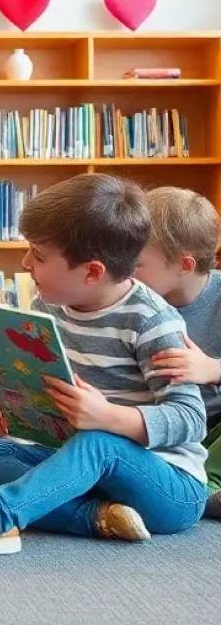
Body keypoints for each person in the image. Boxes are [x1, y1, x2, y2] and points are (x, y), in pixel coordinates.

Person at [0, 175, 208, 563]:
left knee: (99, 442)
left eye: (38, 255)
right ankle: (98, 518)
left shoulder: (152, 322)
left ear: (91, 272)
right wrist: (20, 413)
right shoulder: (47, 308)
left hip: (169, 486)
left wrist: (108, 416)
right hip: (80, 468)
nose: (25, 263)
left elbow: (190, 419)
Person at [135, 186, 221, 519]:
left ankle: (207, 488)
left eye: (137, 262)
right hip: (159, 424)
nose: (125, 268)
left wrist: (211, 369)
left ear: (184, 264)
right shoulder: (132, 303)